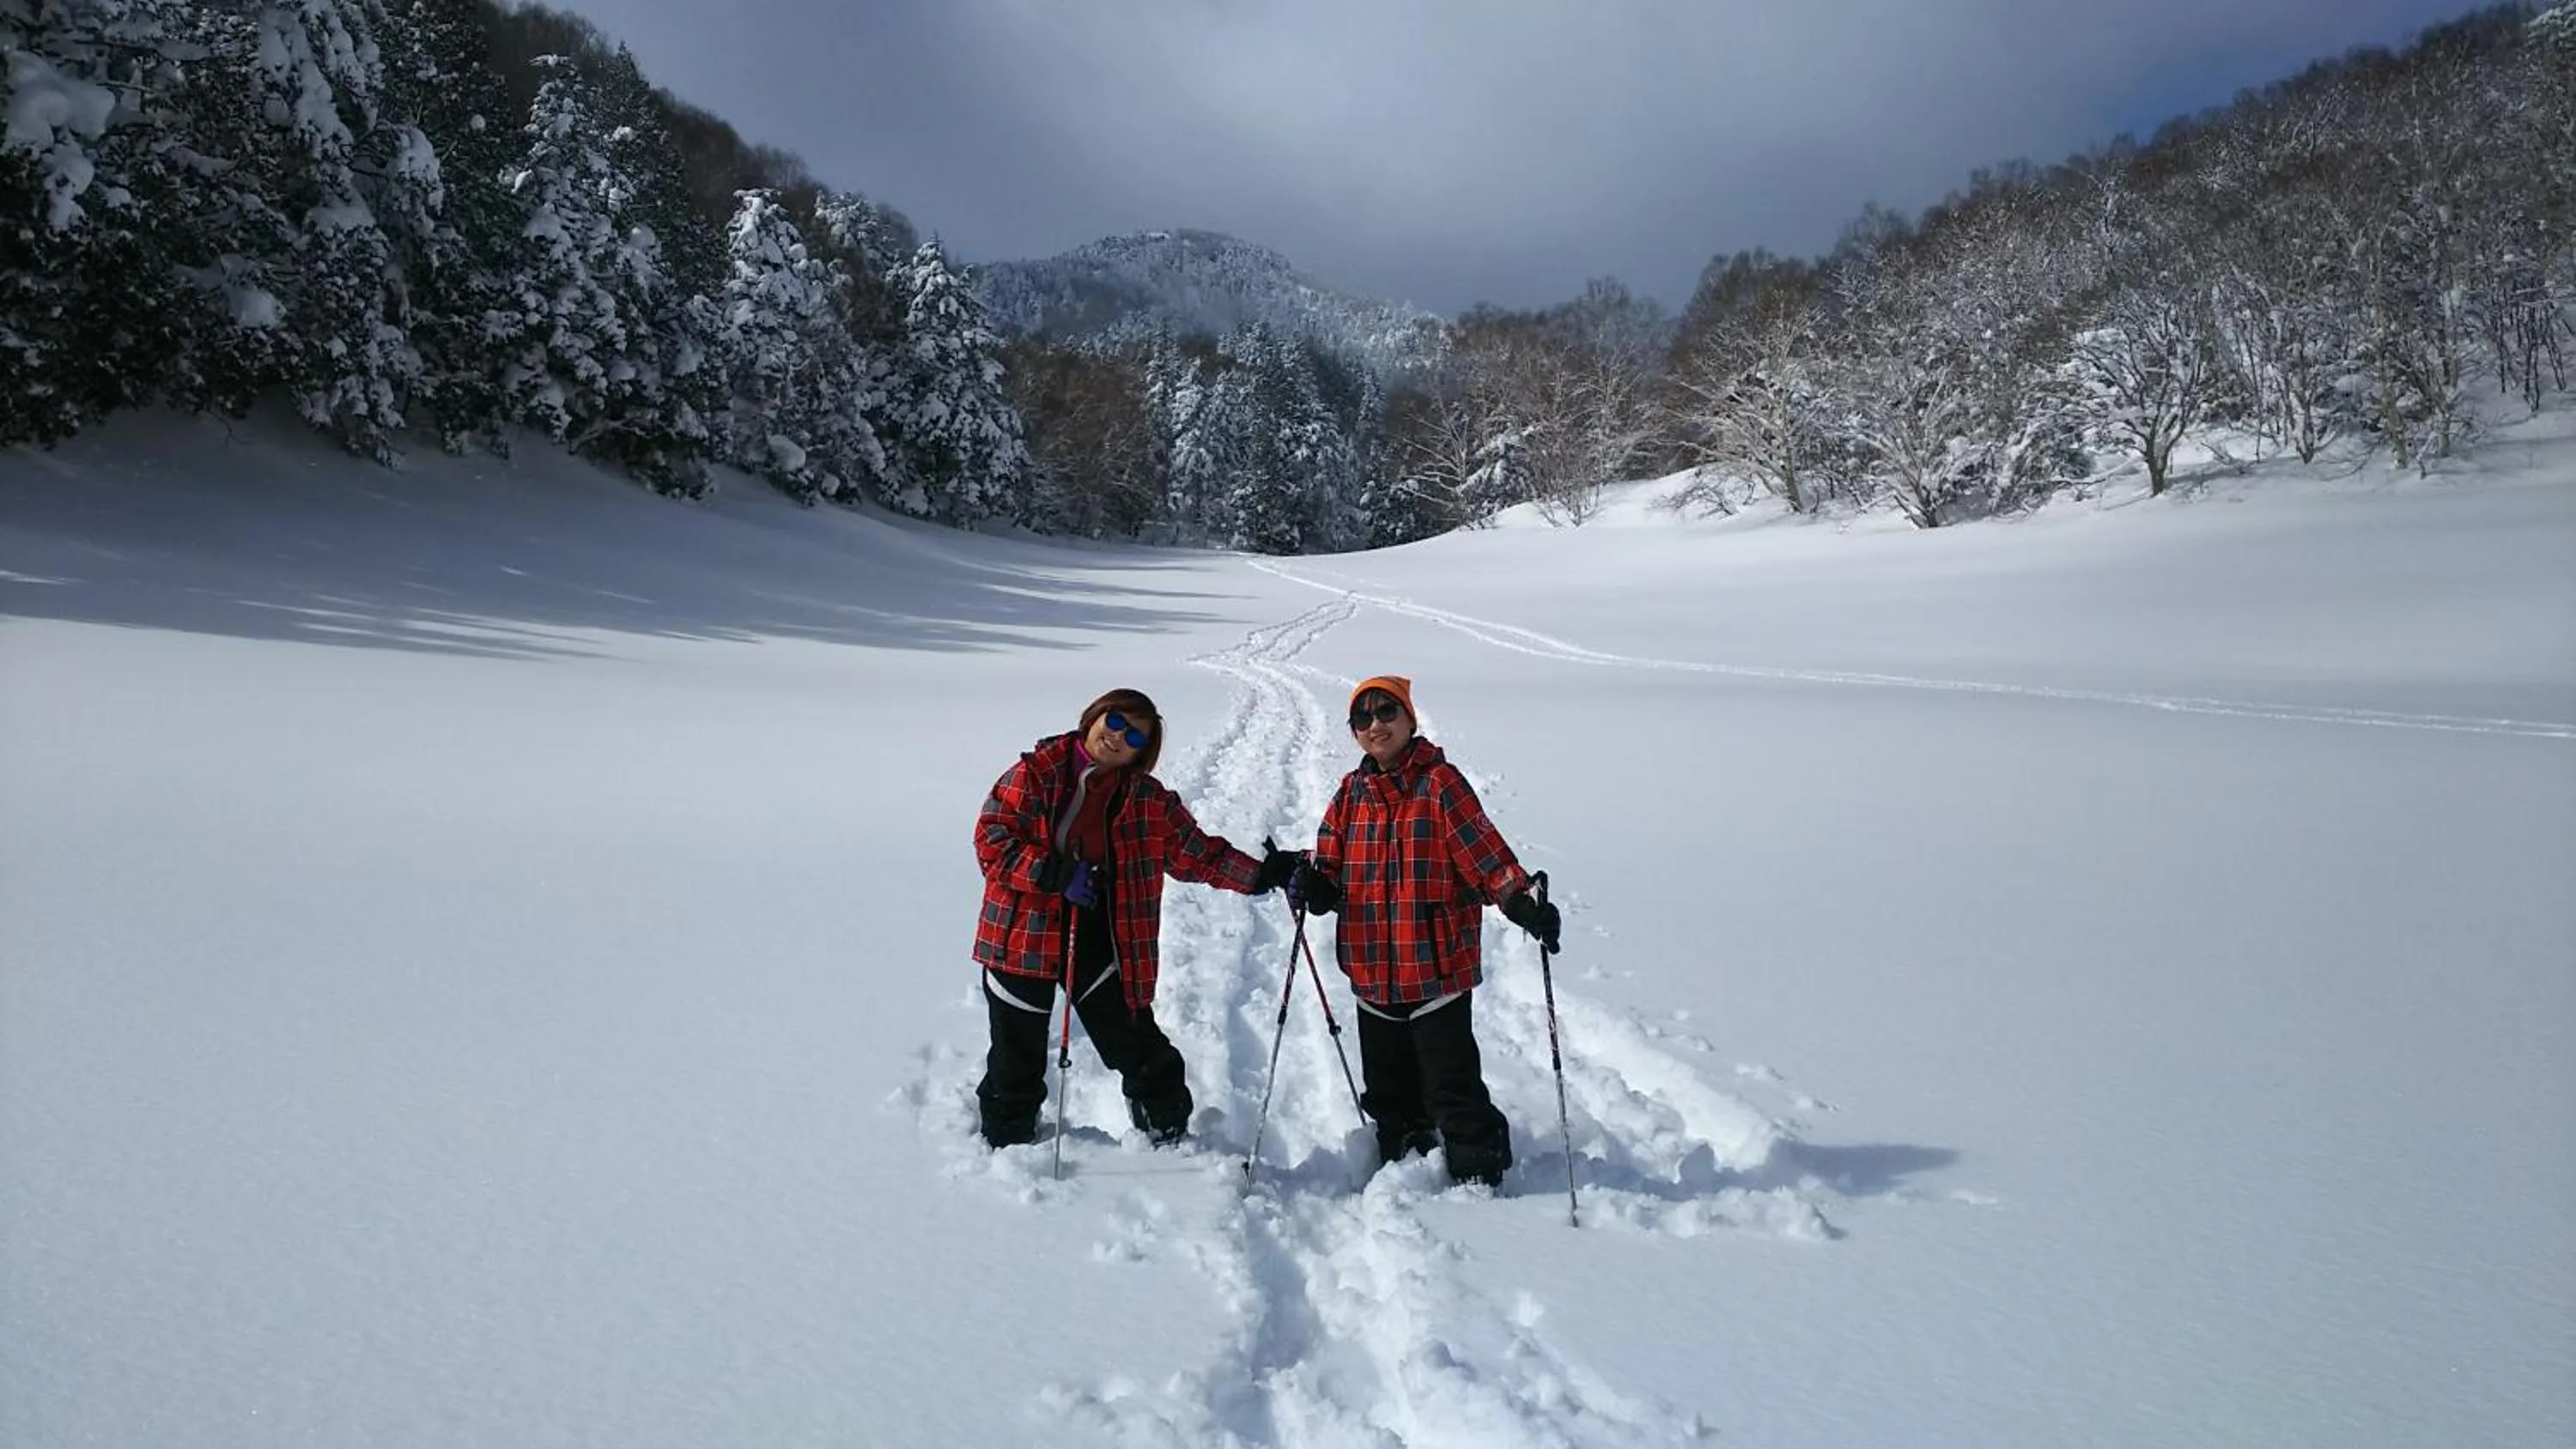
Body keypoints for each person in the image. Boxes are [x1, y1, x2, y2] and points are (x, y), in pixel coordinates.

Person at [972, 688, 1299, 1149]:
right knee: (1015, 1056)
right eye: (1116, 722)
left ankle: (1166, 1133)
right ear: (1095, 715)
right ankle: (1006, 1147)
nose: (1118, 737)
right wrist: (1050, 872)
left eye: (1135, 737)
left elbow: (1197, 853)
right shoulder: (1036, 772)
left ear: (1142, 753)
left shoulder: (1146, 799)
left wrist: (1262, 876)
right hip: (1021, 932)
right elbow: (992, 838)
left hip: (1098, 931)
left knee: (1137, 1044)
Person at [1289, 675, 1562, 1188]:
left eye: (1387, 712)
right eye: (1362, 718)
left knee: (1451, 1084)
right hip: (1371, 968)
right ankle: (1402, 1153)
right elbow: (1328, 863)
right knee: (1388, 1086)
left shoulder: (1440, 784)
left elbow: (1488, 859)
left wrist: (1522, 902)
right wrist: (1315, 886)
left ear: (1410, 720)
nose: (1376, 725)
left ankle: (1478, 1171)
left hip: (1436, 966)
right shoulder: (1350, 794)